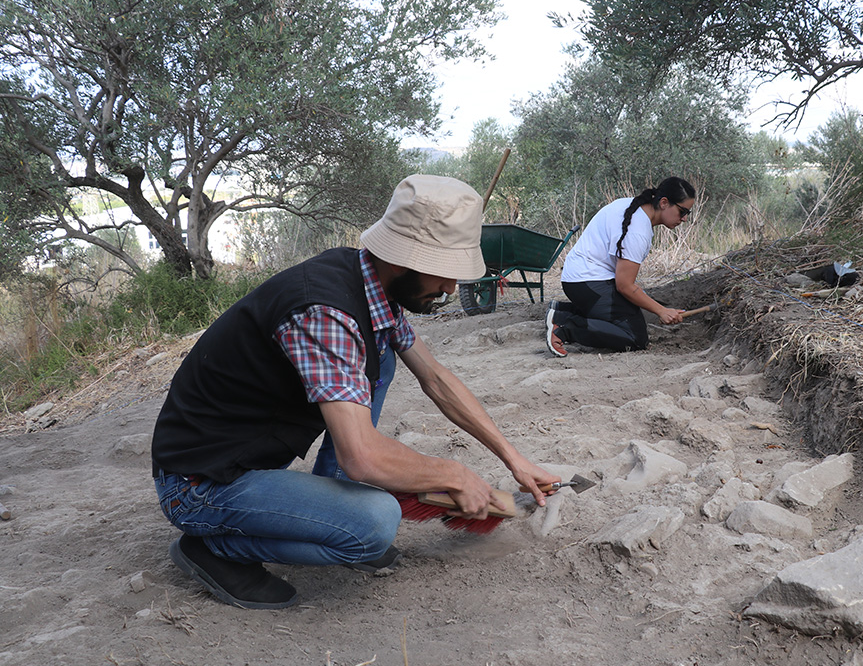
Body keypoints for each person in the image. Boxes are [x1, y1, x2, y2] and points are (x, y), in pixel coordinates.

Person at [151, 175, 559, 610]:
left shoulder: (368, 282)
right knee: (373, 523)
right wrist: (455, 476)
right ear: (407, 259)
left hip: (241, 454)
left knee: (381, 354)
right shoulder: (326, 311)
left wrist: (513, 459)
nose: (450, 289)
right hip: (200, 483)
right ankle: (214, 550)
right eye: (445, 273)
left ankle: (333, 499)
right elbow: (362, 457)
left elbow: (435, 377)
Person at [545, 177, 697, 356]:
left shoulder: (631, 206)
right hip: (587, 282)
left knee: (632, 313)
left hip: (578, 278)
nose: (685, 219)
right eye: (682, 211)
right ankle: (564, 328)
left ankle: (559, 312)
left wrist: (657, 308)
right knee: (634, 337)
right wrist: (661, 311)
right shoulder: (637, 231)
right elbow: (624, 286)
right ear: (664, 202)